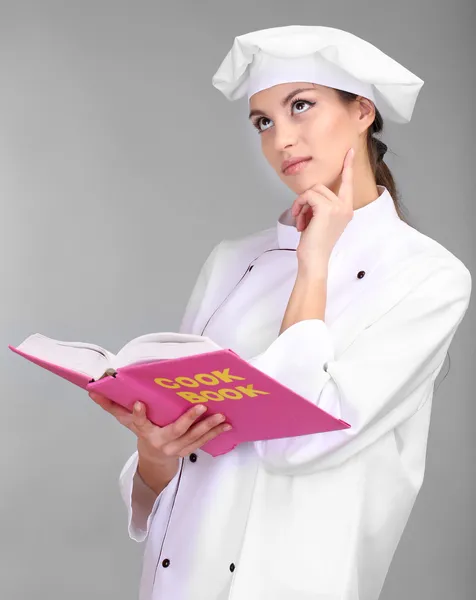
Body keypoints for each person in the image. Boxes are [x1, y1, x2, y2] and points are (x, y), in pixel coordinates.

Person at [89, 25, 472, 600]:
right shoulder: (231, 262)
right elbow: (175, 474)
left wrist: (312, 267)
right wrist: (154, 450)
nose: (281, 139)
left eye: (301, 107)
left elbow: (296, 441)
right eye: (264, 121)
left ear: (363, 111)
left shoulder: (428, 277)